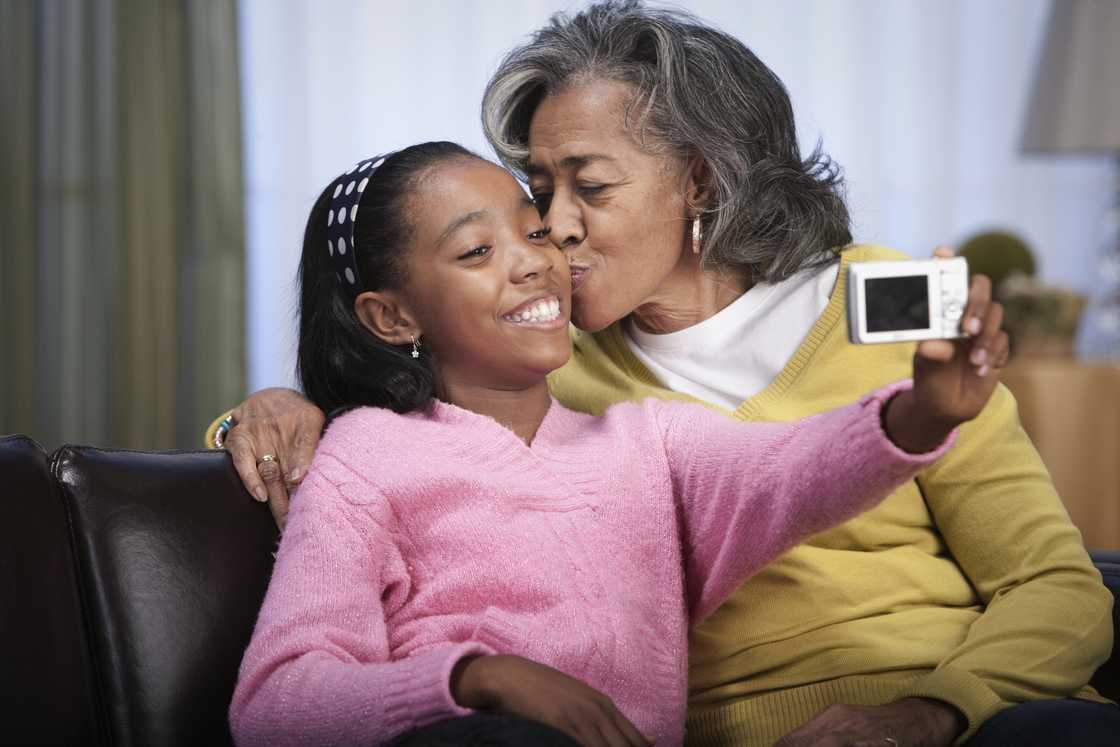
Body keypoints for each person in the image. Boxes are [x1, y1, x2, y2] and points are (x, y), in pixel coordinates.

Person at [214, 3, 1116, 745]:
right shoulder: (556, 372)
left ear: (699, 180)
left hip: (972, 717)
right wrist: (279, 404)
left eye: (590, 188)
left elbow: (1055, 584)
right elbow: (409, 409)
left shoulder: (883, 303)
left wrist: (934, 710)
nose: (553, 230)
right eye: (538, 194)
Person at [229, 141, 1002, 747]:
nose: (536, 258)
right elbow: (276, 706)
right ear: (393, 318)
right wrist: (475, 678)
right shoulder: (364, 456)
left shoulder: (646, 436)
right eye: (476, 252)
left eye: (533, 232)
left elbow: (793, 469)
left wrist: (924, 414)